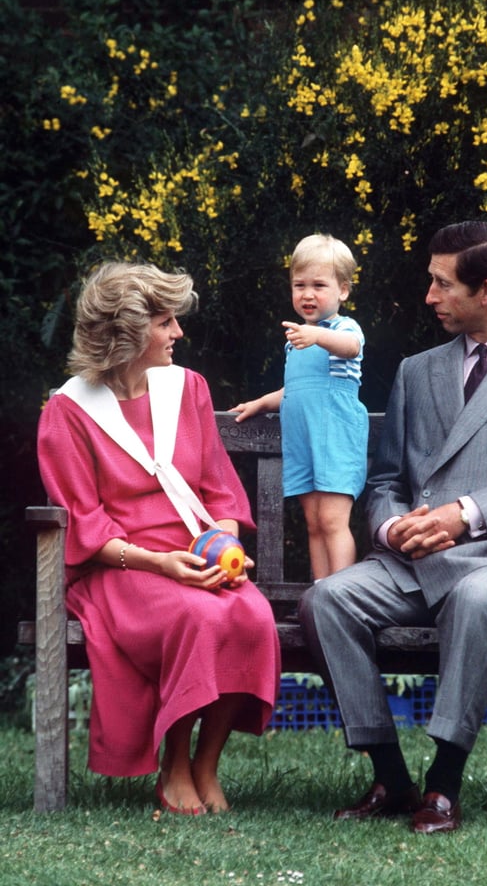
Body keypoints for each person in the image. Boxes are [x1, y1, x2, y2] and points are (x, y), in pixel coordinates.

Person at [298, 220, 487, 833]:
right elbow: (385, 482)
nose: (430, 297)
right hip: (408, 562)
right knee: (325, 600)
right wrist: (389, 531)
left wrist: (464, 514)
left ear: (485, 290)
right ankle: (390, 776)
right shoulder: (418, 370)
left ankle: (443, 785)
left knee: (474, 599)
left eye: (442, 285)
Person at [37, 261, 281, 816]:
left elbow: (219, 490)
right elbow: (85, 522)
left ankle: (205, 764)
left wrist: (226, 547)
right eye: (165, 322)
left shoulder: (187, 387)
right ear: (126, 334)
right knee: (199, 617)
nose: (179, 334)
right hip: (122, 569)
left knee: (251, 615)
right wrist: (160, 564)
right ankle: (174, 763)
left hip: (195, 553)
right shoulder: (67, 412)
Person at [232, 233, 368, 580]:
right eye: (299, 285)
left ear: (343, 290)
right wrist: (261, 403)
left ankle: (342, 594)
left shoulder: (342, 328)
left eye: (319, 285)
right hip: (304, 440)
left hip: (335, 435)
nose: (308, 294)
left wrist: (317, 336)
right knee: (314, 522)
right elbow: (295, 389)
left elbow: (351, 347)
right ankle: (321, 590)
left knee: (334, 521)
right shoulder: (296, 341)